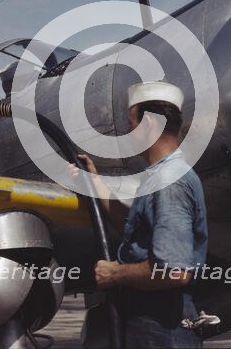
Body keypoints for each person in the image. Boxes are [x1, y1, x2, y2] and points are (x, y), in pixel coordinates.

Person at [71, 81, 208, 349]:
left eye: (131, 124)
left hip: (159, 325)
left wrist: (115, 274)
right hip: (151, 319)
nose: (127, 131)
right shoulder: (160, 176)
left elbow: (174, 272)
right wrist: (94, 181)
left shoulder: (169, 181)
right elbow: (133, 229)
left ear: (149, 126)